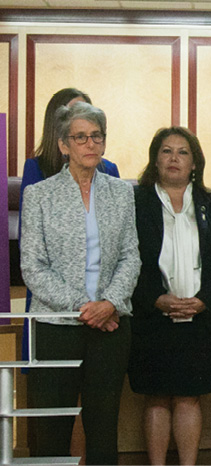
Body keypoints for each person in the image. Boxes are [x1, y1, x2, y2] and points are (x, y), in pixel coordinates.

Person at [20, 101, 141, 465]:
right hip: (57, 326)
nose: (90, 144)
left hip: (112, 324)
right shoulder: (39, 195)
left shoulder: (121, 192)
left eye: (96, 137)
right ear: (63, 145)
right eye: (81, 137)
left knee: (103, 426)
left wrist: (109, 303)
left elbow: (130, 256)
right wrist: (84, 308)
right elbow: (33, 266)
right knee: (53, 427)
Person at [129, 127, 211, 465]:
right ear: (154, 160)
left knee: (190, 397)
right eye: (166, 151)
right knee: (156, 397)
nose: (174, 158)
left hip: (200, 318)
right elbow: (128, 258)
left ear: (194, 163)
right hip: (152, 316)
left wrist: (205, 299)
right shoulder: (136, 203)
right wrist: (155, 298)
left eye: (182, 152)